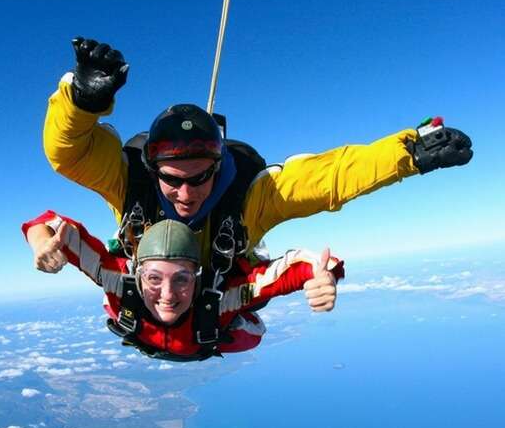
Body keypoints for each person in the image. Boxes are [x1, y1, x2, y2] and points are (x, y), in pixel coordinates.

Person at [37, 37, 473, 282]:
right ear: (153, 170)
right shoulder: (128, 181)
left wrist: (410, 151)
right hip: (154, 289)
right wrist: (81, 101)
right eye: (171, 179)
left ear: (218, 168)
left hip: (225, 290)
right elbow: (68, 152)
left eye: (200, 178)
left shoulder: (249, 197)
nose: (185, 193)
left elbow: (328, 180)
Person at [23, 211, 344, 361]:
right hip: (167, 333)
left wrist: (325, 276)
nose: (166, 294)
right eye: (153, 278)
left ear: (198, 277)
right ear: (137, 275)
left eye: (181, 279)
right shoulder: (118, 282)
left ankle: (244, 264)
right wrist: (41, 244)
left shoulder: (221, 299)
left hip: (213, 333)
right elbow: (53, 225)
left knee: (253, 334)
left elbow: (300, 266)